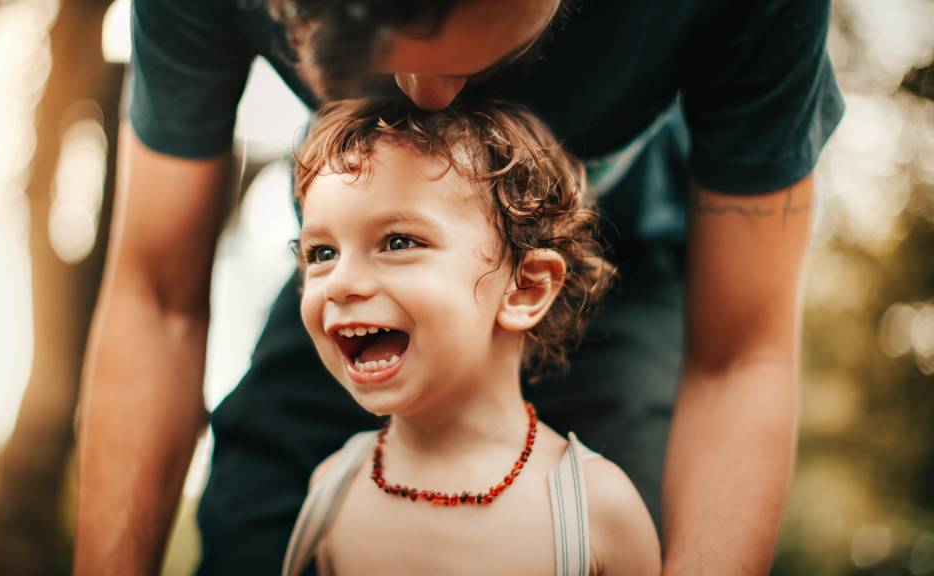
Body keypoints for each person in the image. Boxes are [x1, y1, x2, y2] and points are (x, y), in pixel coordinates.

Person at [74, 0, 844, 575]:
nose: (426, 93)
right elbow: (156, 299)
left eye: (463, 43)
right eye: (374, 50)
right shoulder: (328, 484)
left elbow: (741, 356)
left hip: (633, 276)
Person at [282, 96, 659, 576]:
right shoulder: (331, 488)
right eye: (321, 252)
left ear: (525, 288)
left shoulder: (598, 512)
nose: (338, 283)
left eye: (398, 242)